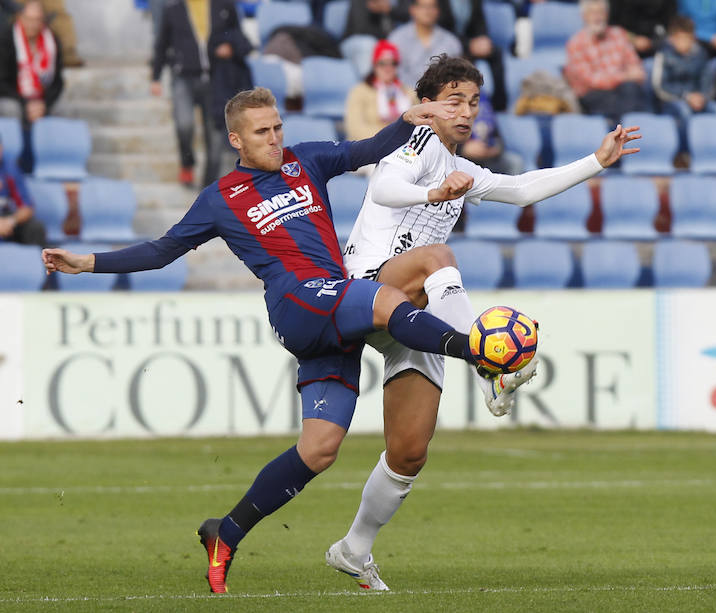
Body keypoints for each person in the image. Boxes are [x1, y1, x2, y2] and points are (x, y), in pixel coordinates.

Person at [41, 87, 495, 595]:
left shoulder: (308, 160)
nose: (275, 139)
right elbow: (163, 249)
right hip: (299, 303)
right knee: (385, 298)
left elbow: (368, 148)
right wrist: (89, 263)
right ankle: (478, 351)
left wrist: (407, 121)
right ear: (237, 140)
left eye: (277, 127)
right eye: (262, 132)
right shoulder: (221, 198)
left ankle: (225, 532)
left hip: (332, 313)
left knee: (320, 449)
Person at [326, 55, 640, 591]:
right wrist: (433, 194)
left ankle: (354, 548)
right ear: (425, 104)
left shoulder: (459, 167)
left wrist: (595, 161)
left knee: (408, 453)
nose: (466, 112)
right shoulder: (412, 143)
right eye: (453, 100)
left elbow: (520, 189)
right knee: (436, 255)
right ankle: (488, 361)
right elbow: (383, 190)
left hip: (415, 311)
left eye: (472, 101)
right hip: (366, 289)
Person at [151, 0, 252, 187]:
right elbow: (162, 44)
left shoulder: (223, 6)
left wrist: (230, 47)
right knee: (184, 124)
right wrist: (156, 77)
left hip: (216, 79)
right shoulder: (173, 8)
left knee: (214, 138)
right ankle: (187, 163)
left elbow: (237, 34)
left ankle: (208, 188)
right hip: (183, 77)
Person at [563, 0, 649, 122]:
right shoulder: (576, 43)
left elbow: (636, 67)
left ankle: (631, 130)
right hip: (594, 94)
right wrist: (623, 76)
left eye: (600, 12)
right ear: (584, 16)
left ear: (607, 15)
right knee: (622, 102)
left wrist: (626, 76)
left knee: (633, 89)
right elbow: (591, 80)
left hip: (623, 90)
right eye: (592, 13)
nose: (597, 17)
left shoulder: (619, 34)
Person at [0, 0, 63, 126]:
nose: (32, 25)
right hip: (14, 96)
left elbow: (57, 81)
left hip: (42, 98)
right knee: (11, 109)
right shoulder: (7, 39)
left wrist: (43, 103)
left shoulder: (52, 41)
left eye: (37, 20)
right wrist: (25, 103)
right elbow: (2, 81)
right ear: (20, 18)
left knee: (63, 110)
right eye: (29, 19)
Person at [651, 15, 716, 122]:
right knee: (684, 112)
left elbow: (708, 82)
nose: (685, 43)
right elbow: (660, 87)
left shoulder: (701, 54)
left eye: (688, 39)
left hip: (699, 100)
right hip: (673, 101)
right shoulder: (664, 55)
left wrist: (702, 97)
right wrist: (687, 96)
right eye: (680, 39)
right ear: (672, 38)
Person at [344, 39, 417, 142]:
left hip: (403, 147)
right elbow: (355, 128)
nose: (388, 68)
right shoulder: (359, 92)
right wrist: (390, 137)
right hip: (368, 148)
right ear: (374, 65)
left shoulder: (408, 93)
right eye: (382, 63)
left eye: (393, 63)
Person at [389, 0, 462, 89]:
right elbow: (394, 74)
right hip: (405, 95)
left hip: (441, 96)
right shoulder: (397, 39)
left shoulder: (451, 42)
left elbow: (455, 76)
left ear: (438, 10)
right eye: (423, 6)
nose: (428, 11)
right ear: (412, 9)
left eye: (432, 6)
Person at [0, 136, 44, 245]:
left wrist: (10, 221)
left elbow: (27, 208)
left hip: (7, 218)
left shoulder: (10, 169)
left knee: (35, 228)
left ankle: (34, 260)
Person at [609, 0, 677, 58]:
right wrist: (633, 39)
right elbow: (611, 23)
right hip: (624, 44)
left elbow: (671, 22)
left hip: (657, 44)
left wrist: (653, 42)